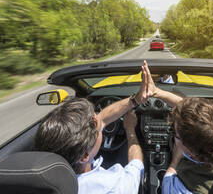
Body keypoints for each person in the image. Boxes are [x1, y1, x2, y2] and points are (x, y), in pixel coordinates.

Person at [35, 61, 152, 194]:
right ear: (84, 156)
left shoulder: (39, 182)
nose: (99, 117)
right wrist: (130, 129)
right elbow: (136, 166)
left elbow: (102, 119)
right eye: (96, 125)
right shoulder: (114, 186)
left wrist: (135, 100)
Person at [141, 61, 213, 194]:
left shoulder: (181, 188)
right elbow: (194, 112)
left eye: (176, 135)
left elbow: (169, 176)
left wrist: (175, 160)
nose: (174, 133)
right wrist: (157, 92)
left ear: (192, 153)